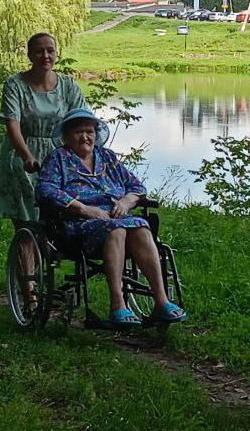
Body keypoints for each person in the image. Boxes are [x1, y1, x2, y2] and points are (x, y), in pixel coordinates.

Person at [36, 107, 186, 327]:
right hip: (77, 223)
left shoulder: (107, 157)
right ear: (66, 135)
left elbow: (136, 186)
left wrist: (126, 202)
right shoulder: (58, 159)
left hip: (116, 217)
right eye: (79, 132)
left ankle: (161, 301)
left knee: (141, 227)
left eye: (90, 131)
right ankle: (117, 304)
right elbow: (46, 189)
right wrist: (84, 209)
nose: (85, 137)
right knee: (116, 230)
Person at [0, 31, 87, 227]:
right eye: (39, 51)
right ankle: (26, 255)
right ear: (29, 55)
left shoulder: (68, 85)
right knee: (27, 223)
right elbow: (12, 123)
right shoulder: (15, 84)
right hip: (22, 155)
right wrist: (26, 155)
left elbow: (81, 122)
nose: (45, 56)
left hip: (59, 157)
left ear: (56, 53)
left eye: (50, 51)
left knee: (56, 222)